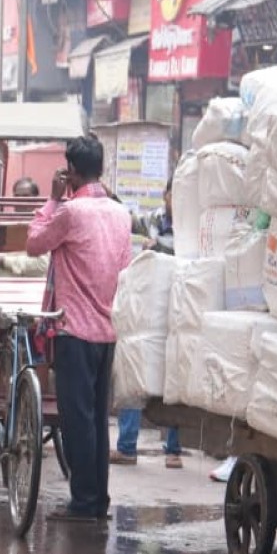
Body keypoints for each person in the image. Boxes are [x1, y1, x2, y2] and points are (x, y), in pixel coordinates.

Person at [26, 134, 135, 522]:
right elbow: (124, 270)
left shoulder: (71, 213)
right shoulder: (122, 214)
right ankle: (96, 498)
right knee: (96, 420)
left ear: (70, 170)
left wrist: (54, 198)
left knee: (77, 420)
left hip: (74, 329)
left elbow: (34, 243)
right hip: (108, 330)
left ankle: (85, 501)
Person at [115, 179, 183, 469]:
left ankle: (174, 450)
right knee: (134, 375)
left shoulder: (191, 228)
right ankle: (127, 447)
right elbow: (130, 222)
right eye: (173, 193)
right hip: (147, 313)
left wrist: (158, 250)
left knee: (174, 378)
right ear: (166, 195)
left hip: (176, 310)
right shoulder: (154, 220)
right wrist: (110, 199)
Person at [0, 177, 53, 277]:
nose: (20, 201)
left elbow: (42, 265)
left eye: (25, 197)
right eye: (17, 196)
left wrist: (5, 262)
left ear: (35, 199)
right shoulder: (3, 223)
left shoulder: (43, 225)